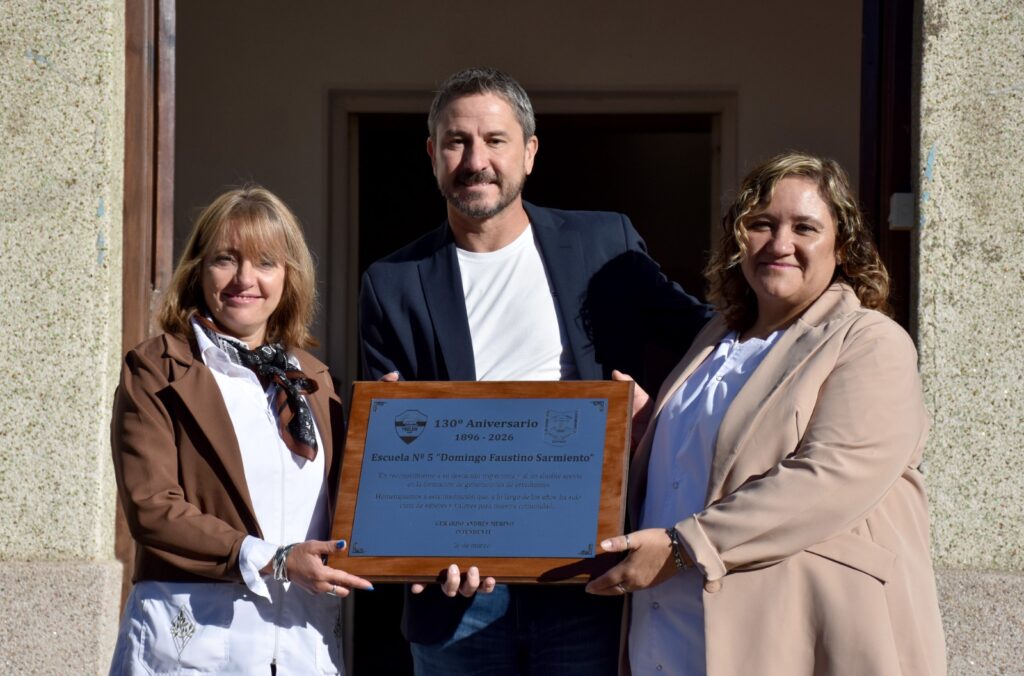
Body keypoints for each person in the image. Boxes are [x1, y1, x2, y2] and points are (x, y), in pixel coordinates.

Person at [360, 67, 712, 675]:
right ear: (432, 155)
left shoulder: (604, 243)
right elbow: (391, 454)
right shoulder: (391, 283)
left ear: (529, 152)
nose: (476, 161)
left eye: (495, 140)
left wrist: (658, 417)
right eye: (457, 142)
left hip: (587, 579)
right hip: (460, 593)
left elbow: (708, 339)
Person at [586, 152, 947, 675]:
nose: (780, 244)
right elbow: (712, 458)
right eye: (761, 224)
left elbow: (831, 475)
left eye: (805, 228)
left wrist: (683, 548)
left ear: (842, 245)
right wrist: (653, 434)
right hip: (670, 629)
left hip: (792, 639)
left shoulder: (870, 341)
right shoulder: (716, 338)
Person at [109, 186, 372, 675]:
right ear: (198, 269)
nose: (245, 279)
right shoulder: (157, 369)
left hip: (301, 650)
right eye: (226, 259)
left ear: (289, 276)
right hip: (193, 647)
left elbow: (352, 512)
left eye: (266, 262)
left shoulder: (316, 381)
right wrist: (274, 559)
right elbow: (152, 508)